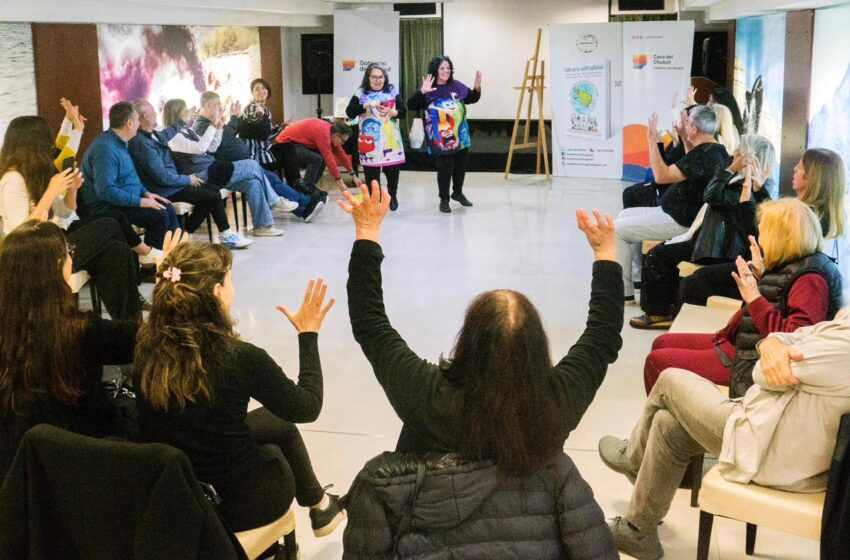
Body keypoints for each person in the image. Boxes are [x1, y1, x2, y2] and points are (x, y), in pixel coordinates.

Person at [342, 181, 623, 458]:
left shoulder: (428, 395)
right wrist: (606, 255)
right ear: (536, 346)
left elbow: (370, 323)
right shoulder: (557, 401)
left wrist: (367, 232)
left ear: (467, 340)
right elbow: (602, 337)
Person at [599, 308, 850, 560]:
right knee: (669, 426)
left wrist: (772, 346)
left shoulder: (844, 344)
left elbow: (761, 372)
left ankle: (633, 459)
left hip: (774, 451)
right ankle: (638, 532)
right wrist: (773, 342)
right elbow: (797, 335)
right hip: (773, 429)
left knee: (668, 380)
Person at [136, 244, 345, 537]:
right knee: (273, 453)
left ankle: (321, 506)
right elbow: (307, 407)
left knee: (278, 424)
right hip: (236, 503)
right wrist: (308, 334)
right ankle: (317, 508)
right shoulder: (238, 357)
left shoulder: (146, 345)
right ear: (218, 292)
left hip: (176, 496)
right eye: (230, 281)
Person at [642, 198, 843, 397]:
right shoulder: (797, 264)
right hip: (745, 345)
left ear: (780, 237)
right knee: (660, 343)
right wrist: (762, 277)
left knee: (656, 362)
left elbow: (795, 337)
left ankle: (677, 422)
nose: (761, 238)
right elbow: (780, 302)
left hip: (752, 361)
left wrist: (755, 298)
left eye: (764, 232)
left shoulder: (811, 280)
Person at [0, 220, 140, 479]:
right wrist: (170, 280)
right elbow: (152, 338)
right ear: (57, 267)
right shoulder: (82, 330)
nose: (72, 259)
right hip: (87, 455)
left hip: (16, 462)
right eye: (69, 253)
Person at [0, 110, 146, 320]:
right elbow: (19, 233)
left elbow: (65, 210)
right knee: (109, 224)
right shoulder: (12, 180)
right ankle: (144, 255)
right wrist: (50, 191)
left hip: (52, 241)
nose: (51, 148)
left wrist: (72, 189)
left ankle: (131, 328)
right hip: (30, 255)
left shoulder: (33, 175)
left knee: (117, 251)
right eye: (46, 142)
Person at [631, 134, 775, 329]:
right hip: (713, 241)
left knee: (658, 256)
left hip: (720, 249)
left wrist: (730, 169)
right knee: (661, 253)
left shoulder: (745, 187)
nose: (735, 154)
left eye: (740, 151)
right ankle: (664, 309)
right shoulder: (742, 183)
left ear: (751, 157)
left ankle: (659, 313)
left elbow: (711, 195)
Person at [680, 148, 846, 306]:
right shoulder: (816, 214)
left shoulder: (805, 216)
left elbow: (763, 242)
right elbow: (777, 225)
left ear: (813, 177)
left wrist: (745, 205)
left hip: (774, 280)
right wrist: (760, 191)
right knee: (697, 279)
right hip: (774, 273)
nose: (794, 168)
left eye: (800, 166)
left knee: (693, 283)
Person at [615, 105, 731, 300]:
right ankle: (636, 277)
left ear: (694, 128)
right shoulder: (716, 150)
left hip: (680, 221)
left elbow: (661, 176)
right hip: (676, 212)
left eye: (686, 122)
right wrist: (684, 138)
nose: (682, 125)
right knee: (623, 216)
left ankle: (622, 292)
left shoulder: (703, 156)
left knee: (615, 229)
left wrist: (652, 141)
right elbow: (689, 160)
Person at [128, 99, 252, 249]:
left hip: (171, 183)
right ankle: (223, 234)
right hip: (164, 189)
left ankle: (187, 234)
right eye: (153, 111)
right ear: (146, 116)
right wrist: (187, 179)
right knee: (212, 196)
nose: (156, 113)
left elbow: (167, 134)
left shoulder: (152, 135)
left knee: (212, 191)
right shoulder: (141, 143)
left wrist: (182, 120)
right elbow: (161, 176)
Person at [194, 92, 325, 224]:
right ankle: (304, 201)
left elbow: (226, 137)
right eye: (217, 105)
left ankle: (303, 211)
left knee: (268, 179)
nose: (220, 108)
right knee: (265, 176)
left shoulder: (210, 123)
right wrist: (232, 119)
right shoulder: (202, 125)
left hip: (235, 164)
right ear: (208, 105)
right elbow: (222, 141)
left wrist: (228, 122)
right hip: (224, 169)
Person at [165, 97, 284, 237]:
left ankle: (263, 226)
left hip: (211, 167)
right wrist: (213, 126)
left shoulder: (186, 130)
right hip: (202, 173)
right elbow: (200, 147)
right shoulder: (173, 135)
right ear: (177, 113)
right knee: (252, 165)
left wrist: (218, 128)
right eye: (186, 110)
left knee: (253, 182)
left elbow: (211, 147)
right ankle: (274, 200)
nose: (190, 112)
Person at [79, 101, 179, 250]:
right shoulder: (105, 148)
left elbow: (131, 177)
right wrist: (140, 201)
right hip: (106, 208)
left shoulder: (120, 142)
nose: (139, 123)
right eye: (138, 120)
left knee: (167, 207)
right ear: (130, 123)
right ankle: (149, 267)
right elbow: (106, 191)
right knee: (159, 216)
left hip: (123, 202)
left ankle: (171, 257)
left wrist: (146, 193)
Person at [407, 56, 481, 213]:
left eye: (448, 68)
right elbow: (411, 105)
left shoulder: (457, 86)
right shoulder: (429, 88)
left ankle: (458, 193)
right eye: (442, 68)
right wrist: (421, 91)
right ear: (435, 70)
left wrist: (477, 89)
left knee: (460, 166)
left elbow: (471, 99)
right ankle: (444, 199)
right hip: (440, 139)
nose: (446, 71)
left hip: (460, 135)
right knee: (445, 169)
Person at [345, 64, 407, 211]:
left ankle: (392, 196)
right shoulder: (361, 92)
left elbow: (403, 111)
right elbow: (350, 112)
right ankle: (375, 199)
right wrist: (365, 105)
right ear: (368, 78)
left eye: (380, 77)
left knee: (392, 173)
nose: (377, 80)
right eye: (374, 77)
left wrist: (393, 112)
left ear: (385, 78)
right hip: (370, 142)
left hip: (390, 141)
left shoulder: (392, 90)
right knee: (371, 175)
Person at [275, 118, 355, 195]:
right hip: (284, 144)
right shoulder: (324, 133)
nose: (343, 144)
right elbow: (329, 158)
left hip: (296, 144)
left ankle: (310, 186)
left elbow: (340, 153)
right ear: (337, 135)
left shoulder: (331, 132)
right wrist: (339, 181)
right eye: (343, 141)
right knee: (316, 159)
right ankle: (306, 188)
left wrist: (353, 175)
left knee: (321, 158)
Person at [237, 78, 285, 171]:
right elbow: (262, 133)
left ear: (268, 90)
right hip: (256, 153)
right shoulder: (252, 108)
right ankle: (295, 182)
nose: (261, 91)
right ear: (252, 93)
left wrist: (279, 128)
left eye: (263, 88)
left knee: (288, 147)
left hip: (263, 148)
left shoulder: (265, 109)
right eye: (257, 89)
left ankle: (296, 182)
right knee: (288, 151)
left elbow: (266, 130)